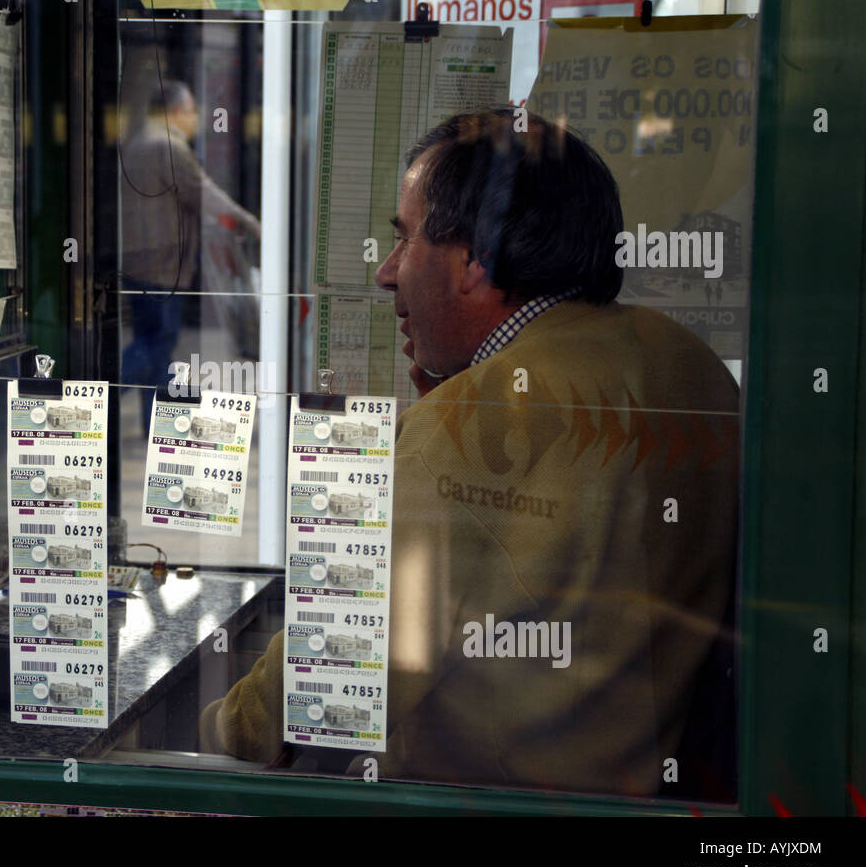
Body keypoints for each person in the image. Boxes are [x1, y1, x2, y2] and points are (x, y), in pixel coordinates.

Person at [199, 108, 739, 797]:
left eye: (406, 239)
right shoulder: (687, 362)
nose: (388, 273)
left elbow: (323, 677)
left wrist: (211, 733)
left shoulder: (469, 423)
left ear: (475, 257)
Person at [120, 80, 261, 424]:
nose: (197, 119)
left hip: (140, 262)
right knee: (156, 343)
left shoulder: (138, 142)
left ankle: (154, 421)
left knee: (152, 341)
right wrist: (250, 223)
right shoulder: (168, 145)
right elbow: (204, 193)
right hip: (162, 266)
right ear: (178, 111)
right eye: (194, 111)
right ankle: (104, 394)